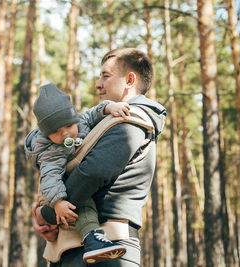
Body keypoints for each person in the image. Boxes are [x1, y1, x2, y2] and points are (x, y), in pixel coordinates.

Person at [32, 48, 166, 266]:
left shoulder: (131, 121)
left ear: (129, 79)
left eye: (106, 76)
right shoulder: (107, 120)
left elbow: (92, 172)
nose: (98, 84)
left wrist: (47, 214)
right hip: (78, 250)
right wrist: (43, 206)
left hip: (108, 249)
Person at [25, 83, 131, 264]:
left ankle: (94, 239)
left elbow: (92, 113)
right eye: (56, 132)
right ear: (47, 134)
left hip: (78, 174)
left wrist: (109, 107)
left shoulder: (80, 122)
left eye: (67, 125)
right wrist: (58, 202)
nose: (65, 133)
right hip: (62, 184)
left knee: (81, 195)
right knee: (80, 204)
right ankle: (92, 239)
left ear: (74, 119)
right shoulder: (51, 151)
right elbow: (49, 178)